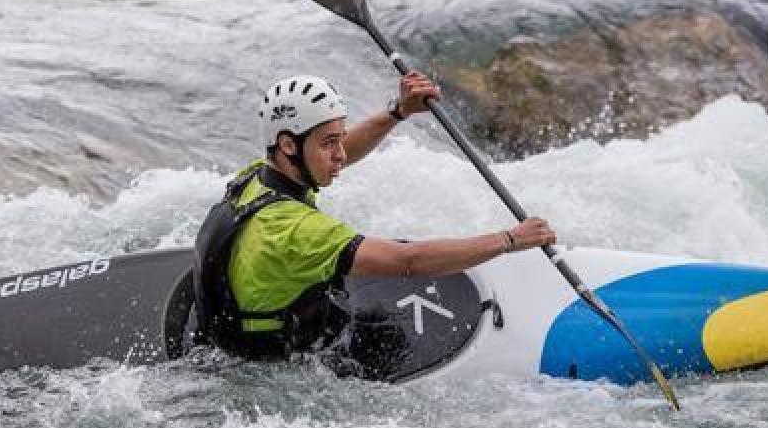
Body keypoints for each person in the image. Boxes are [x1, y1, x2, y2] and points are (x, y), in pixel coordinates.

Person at [192, 72, 557, 360]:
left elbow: (341, 153)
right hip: (269, 363)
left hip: (225, 330)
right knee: (388, 336)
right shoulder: (298, 232)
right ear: (289, 145)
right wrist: (510, 240)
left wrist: (399, 111)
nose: (340, 154)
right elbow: (408, 262)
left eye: (340, 137)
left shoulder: (257, 177)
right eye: (328, 142)